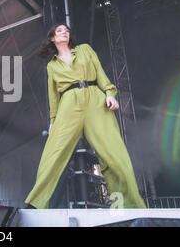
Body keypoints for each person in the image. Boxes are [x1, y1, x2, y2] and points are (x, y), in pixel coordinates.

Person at [25, 23, 146, 209]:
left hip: (94, 99)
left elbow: (99, 71)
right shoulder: (52, 65)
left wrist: (109, 92)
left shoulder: (85, 50)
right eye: (59, 31)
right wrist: (53, 120)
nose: (64, 32)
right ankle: (36, 203)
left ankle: (128, 206)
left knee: (113, 152)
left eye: (66, 30)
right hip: (68, 104)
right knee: (53, 152)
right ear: (52, 38)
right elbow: (53, 96)